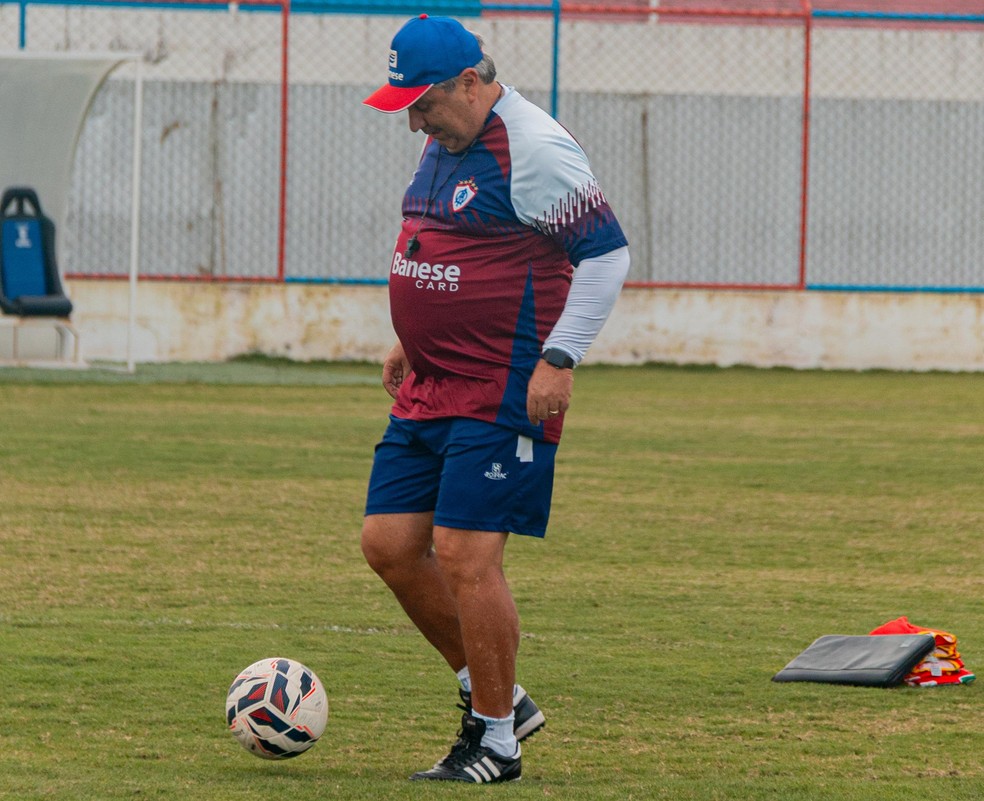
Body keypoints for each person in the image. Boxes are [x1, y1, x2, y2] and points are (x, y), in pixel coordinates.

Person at [360, 14, 630, 784]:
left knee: (465, 555)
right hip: (432, 382)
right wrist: (415, 334)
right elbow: (442, 239)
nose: (414, 115)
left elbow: (607, 257)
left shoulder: (537, 149)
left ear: (471, 83)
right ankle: (499, 696)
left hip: (505, 385)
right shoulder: (443, 137)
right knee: (386, 544)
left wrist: (560, 357)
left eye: (423, 101)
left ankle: (495, 742)